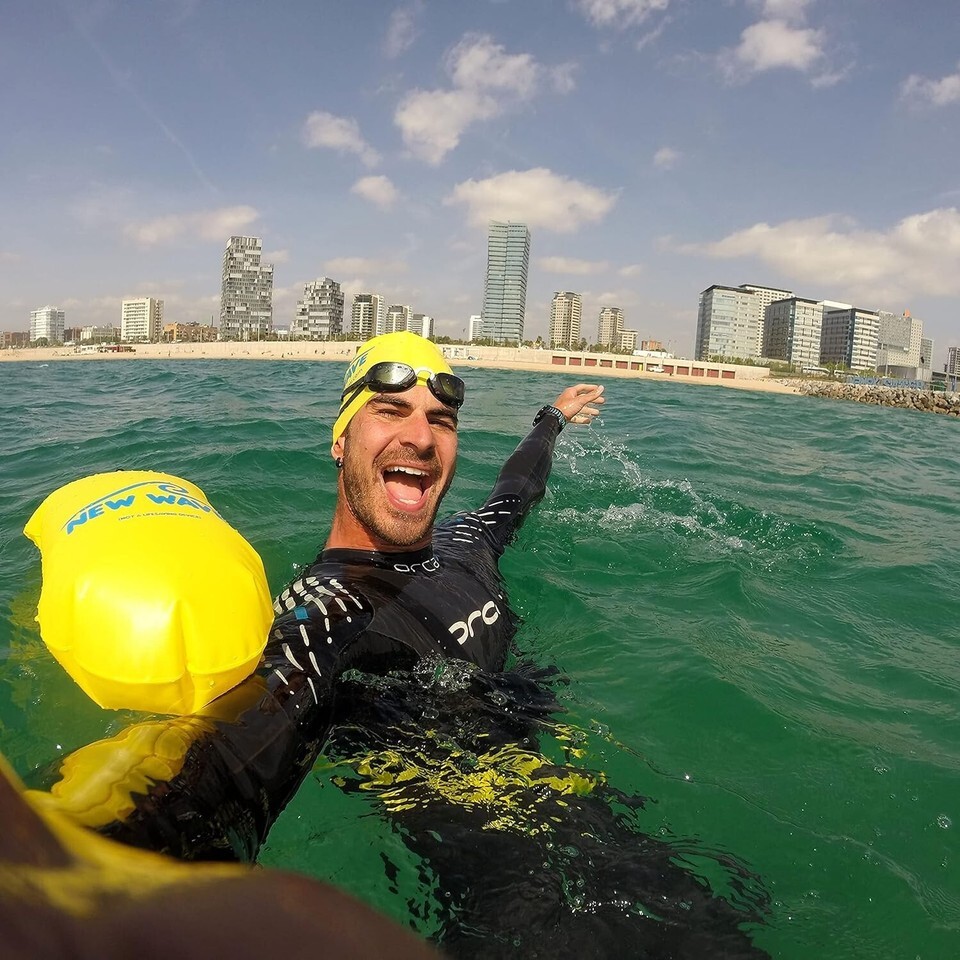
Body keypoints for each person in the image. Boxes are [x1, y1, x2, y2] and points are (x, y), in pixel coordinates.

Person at [33, 331, 604, 862]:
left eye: (441, 420)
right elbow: (226, 756)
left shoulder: (469, 540)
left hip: (586, 803)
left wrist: (551, 419)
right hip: (500, 866)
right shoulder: (326, 614)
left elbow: (516, 487)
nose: (421, 437)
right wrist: (72, 838)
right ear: (340, 441)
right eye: (390, 411)